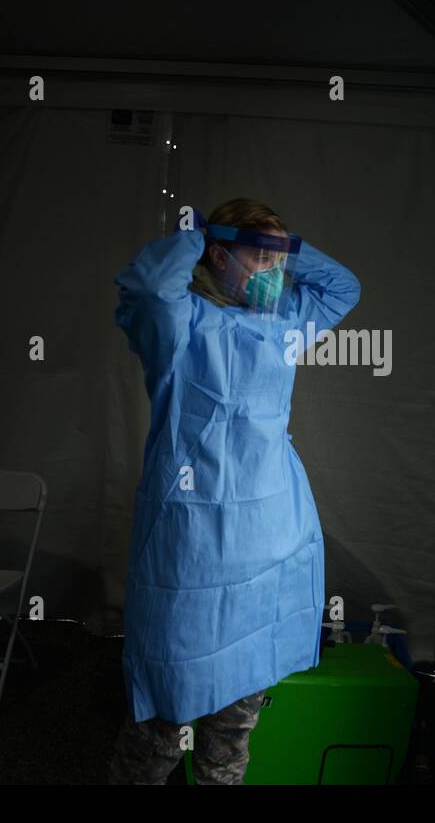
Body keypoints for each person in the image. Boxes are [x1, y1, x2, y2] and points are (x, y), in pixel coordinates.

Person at [107, 197, 360, 784]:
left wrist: (283, 248)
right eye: (259, 258)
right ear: (219, 257)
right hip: (194, 551)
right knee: (162, 728)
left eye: (280, 261)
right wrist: (195, 236)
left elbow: (343, 287)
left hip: (267, 544)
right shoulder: (180, 325)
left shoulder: (284, 324)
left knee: (232, 734)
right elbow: (147, 288)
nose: (274, 273)